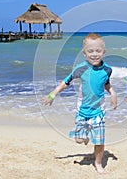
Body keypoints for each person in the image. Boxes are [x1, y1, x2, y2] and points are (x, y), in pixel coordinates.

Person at [43, 33, 117, 173]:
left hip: (98, 111)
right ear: (84, 53)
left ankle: (98, 163)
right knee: (79, 139)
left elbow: (106, 84)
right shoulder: (80, 69)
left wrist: (113, 93)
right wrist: (53, 94)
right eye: (90, 51)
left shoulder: (107, 70)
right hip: (82, 111)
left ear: (103, 52)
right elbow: (66, 82)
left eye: (98, 51)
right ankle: (85, 136)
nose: (94, 54)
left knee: (100, 142)